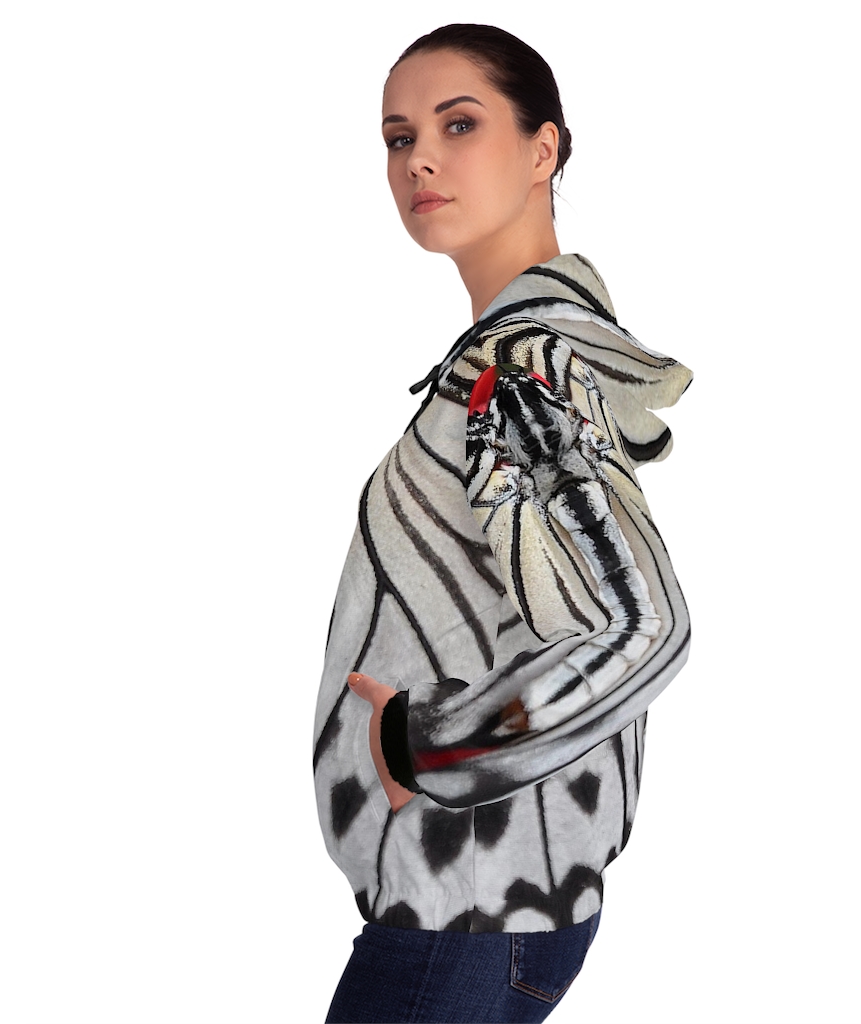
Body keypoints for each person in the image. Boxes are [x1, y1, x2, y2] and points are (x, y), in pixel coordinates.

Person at [314, 24, 692, 1023]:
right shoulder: (518, 355)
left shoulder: (519, 370)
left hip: (464, 910)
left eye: (459, 125)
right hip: (477, 905)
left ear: (542, 150)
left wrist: (429, 744)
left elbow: (645, 625)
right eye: (399, 137)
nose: (419, 160)